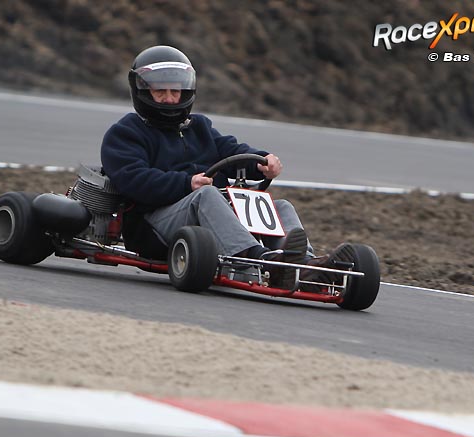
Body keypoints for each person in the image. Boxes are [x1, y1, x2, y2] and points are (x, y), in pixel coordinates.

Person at [100, 45, 328, 289]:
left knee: (279, 206)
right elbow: (134, 179)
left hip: (206, 214)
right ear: (142, 91)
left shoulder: (198, 127)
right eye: (160, 91)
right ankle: (259, 260)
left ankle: (302, 265)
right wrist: (186, 183)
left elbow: (231, 151)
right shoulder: (125, 133)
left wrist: (262, 161)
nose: (169, 98)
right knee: (206, 195)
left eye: (175, 91)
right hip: (153, 223)